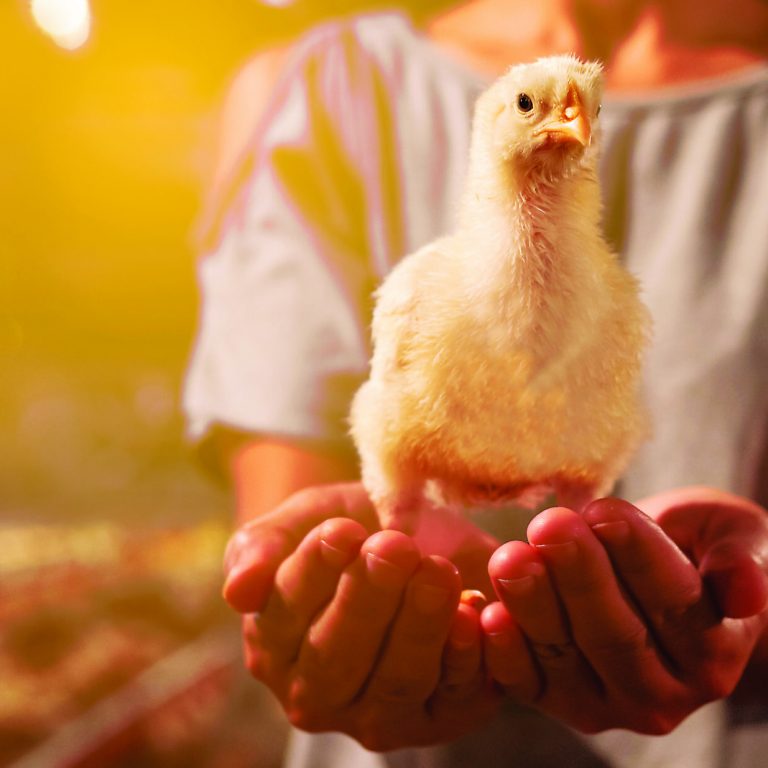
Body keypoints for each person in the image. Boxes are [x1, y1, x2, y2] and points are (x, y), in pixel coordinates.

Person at [184, 1, 768, 766]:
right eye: (533, 107)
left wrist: (742, 592)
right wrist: (315, 589)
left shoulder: (611, 296)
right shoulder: (334, 92)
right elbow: (282, 531)